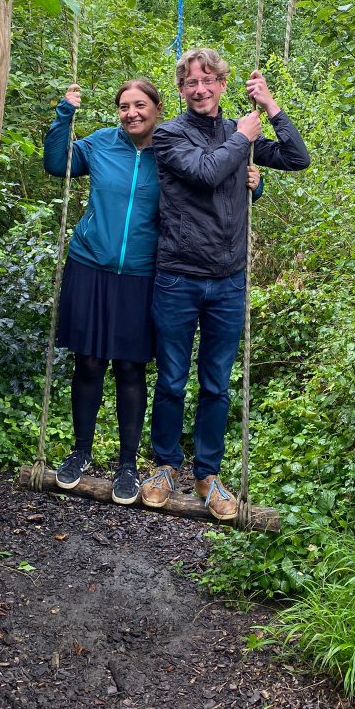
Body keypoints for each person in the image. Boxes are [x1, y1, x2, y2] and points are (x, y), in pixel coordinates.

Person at [43, 77, 264, 506]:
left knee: (130, 367)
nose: (132, 113)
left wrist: (252, 184)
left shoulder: (170, 150)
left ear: (158, 108)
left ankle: (128, 464)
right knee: (88, 362)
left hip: (146, 270)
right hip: (91, 263)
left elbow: (212, 193)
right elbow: (57, 164)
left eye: (140, 105)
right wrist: (64, 115)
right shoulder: (102, 144)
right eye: (124, 106)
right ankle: (80, 452)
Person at [141, 47, 310, 521]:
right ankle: (165, 466)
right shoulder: (170, 134)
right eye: (191, 82)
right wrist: (241, 138)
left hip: (228, 281)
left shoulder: (244, 135)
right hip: (178, 277)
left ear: (222, 84)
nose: (200, 89)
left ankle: (207, 474)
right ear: (180, 90)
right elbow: (205, 172)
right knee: (172, 379)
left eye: (208, 80)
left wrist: (271, 107)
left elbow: (298, 158)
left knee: (216, 384)